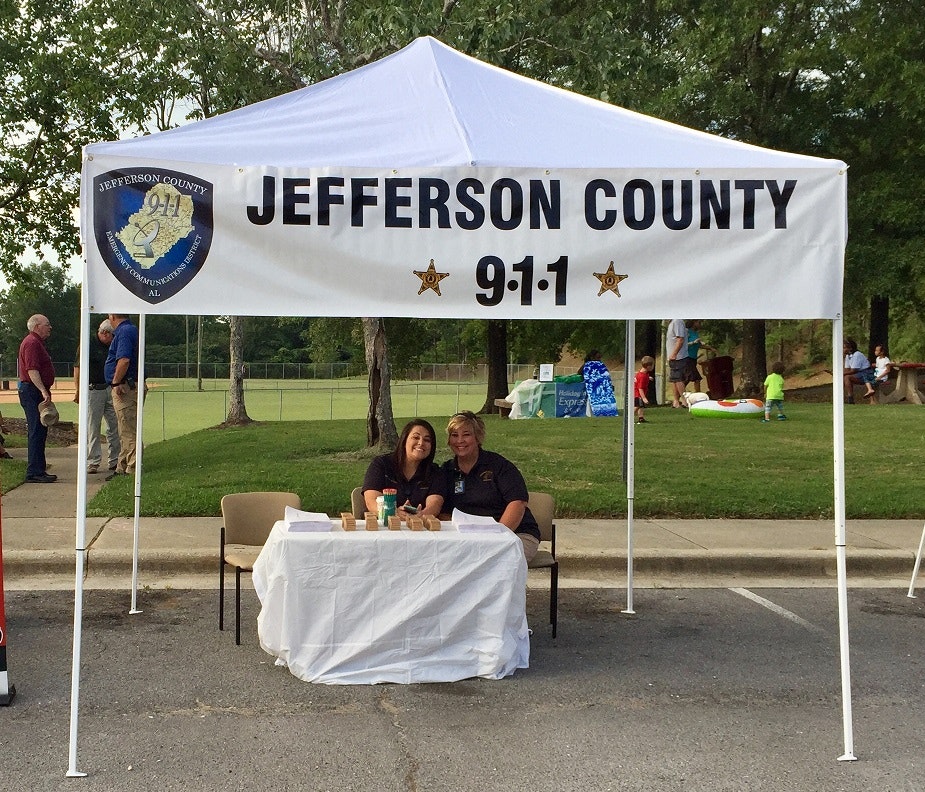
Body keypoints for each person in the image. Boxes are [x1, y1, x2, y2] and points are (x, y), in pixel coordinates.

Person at [442, 411, 540, 562]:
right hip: (469, 538)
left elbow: (518, 503)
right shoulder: (446, 471)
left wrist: (497, 538)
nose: (459, 440)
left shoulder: (499, 466)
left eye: (466, 434)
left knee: (493, 563)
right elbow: (443, 512)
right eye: (454, 435)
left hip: (513, 534)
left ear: (478, 437)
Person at [362, 419, 446, 517]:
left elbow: (435, 505)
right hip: (385, 527)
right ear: (404, 440)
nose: (421, 443)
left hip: (421, 528)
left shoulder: (435, 472)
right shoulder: (381, 464)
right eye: (416, 437)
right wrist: (393, 512)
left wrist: (421, 515)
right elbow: (371, 500)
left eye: (427, 440)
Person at [74, 320, 121, 474]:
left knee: (114, 426)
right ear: (104, 333)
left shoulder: (111, 345)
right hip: (93, 389)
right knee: (93, 427)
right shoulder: (88, 344)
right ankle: (93, 461)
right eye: (112, 335)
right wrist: (78, 390)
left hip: (109, 388)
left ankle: (114, 460)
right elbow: (78, 368)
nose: (113, 339)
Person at [17, 314, 57, 483]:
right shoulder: (32, 343)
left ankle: (39, 469)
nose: (50, 327)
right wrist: (43, 390)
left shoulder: (36, 343)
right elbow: (32, 370)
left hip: (34, 391)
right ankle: (34, 472)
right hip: (32, 391)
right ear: (37, 326)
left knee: (40, 430)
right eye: (47, 324)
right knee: (36, 430)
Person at [105, 314, 139, 478]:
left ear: (112, 316)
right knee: (124, 429)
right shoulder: (129, 329)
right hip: (128, 385)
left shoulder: (124, 331)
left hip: (126, 387)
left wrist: (116, 382)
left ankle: (132, 469)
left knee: (128, 430)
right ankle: (123, 465)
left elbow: (124, 359)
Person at [843, 337, 875, 404]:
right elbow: (847, 369)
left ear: (850, 348)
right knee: (844, 378)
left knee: (847, 377)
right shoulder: (848, 356)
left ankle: (850, 399)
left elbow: (853, 370)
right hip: (859, 374)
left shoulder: (857, 355)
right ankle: (840, 397)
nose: (843, 349)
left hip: (867, 373)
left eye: (844, 348)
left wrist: (842, 373)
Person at [684, 320, 714, 392]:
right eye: (699, 322)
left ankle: (679, 395)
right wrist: (693, 342)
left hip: (693, 358)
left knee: (687, 378)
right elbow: (683, 344)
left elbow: (698, 345)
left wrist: (709, 348)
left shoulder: (695, 333)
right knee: (697, 378)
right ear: (694, 322)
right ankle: (698, 397)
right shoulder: (686, 331)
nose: (700, 324)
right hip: (687, 358)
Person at [665, 318, 688, 408]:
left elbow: (680, 339)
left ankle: (684, 400)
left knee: (678, 378)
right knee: (674, 379)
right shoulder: (671, 323)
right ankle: (676, 401)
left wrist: (674, 354)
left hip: (678, 357)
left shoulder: (677, 321)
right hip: (672, 357)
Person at [634, 356, 655, 423]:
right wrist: (644, 398)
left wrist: (648, 377)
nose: (653, 367)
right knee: (637, 406)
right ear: (648, 366)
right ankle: (629, 417)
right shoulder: (642, 376)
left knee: (641, 406)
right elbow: (640, 388)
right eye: (652, 366)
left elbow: (641, 378)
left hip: (640, 393)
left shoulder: (643, 373)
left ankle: (641, 418)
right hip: (638, 394)